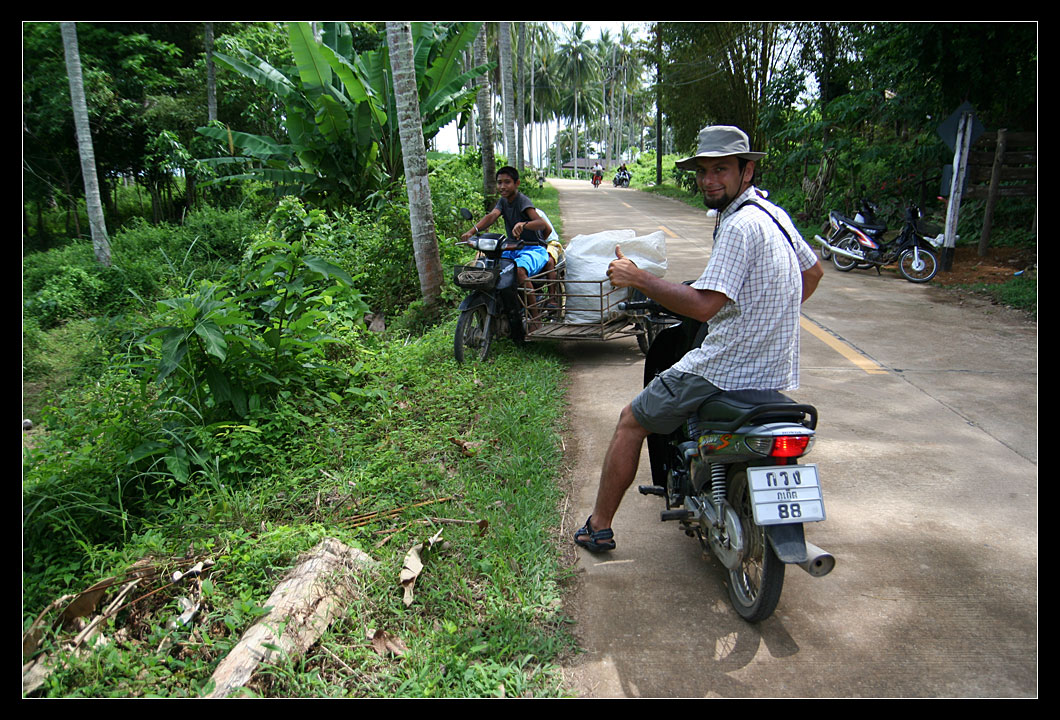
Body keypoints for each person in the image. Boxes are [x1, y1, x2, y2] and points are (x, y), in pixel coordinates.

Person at [574, 125, 824, 553]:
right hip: (773, 369)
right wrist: (767, 313)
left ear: (746, 171)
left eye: (721, 170)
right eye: (703, 171)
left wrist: (639, 278)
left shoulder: (739, 225)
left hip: (724, 369)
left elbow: (705, 306)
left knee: (630, 421)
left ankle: (598, 527)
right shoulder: (773, 215)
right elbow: (813, 272)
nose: (709, 180)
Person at [461, 166, 553, 322]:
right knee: (489, 267)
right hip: (512, 248)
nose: (502, 186)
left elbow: (541, 224)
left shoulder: (522, 201)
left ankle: (535, 318)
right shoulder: (503, 201)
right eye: (499, 182)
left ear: (517, 183)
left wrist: (524, 224)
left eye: (507, 182)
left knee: (519, 271)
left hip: (533, 248)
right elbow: (492, 216)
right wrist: (472, 231)